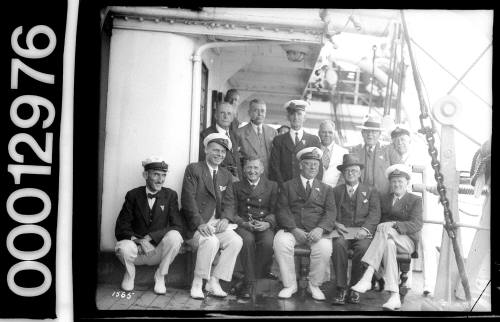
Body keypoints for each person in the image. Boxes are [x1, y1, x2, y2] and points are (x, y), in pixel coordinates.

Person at [351, 164, 423, 311]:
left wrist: (394, 224)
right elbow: (377, 219)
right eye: (394, 182)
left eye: (400, 181)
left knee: (386, 230)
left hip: (407, 240)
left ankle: (368, 274)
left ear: (407, 183)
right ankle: (394, 296)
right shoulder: (384, 198)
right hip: (387, 240)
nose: (397, 184)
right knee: (389, 243)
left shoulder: (415, 200)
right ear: (390, 183)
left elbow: (416, 224)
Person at [181, 133, 243, 299]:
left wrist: (225, 218)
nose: (219, 155)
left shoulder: (225, 175)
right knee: (211, 241)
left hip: (216, 223)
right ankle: (197, 281)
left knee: (236, 240)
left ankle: (214, 280)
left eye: (223, 152)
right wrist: (200, 223)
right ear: (206, 149)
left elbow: (230, 202)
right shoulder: (194, 169)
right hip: (196, 224)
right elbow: (188, 201)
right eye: (216, 150)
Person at [114, 156, 184, 295]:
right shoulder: (133, 195)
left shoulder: (170, 195)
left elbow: (177, 226)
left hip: (158, 251)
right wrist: (138, 241)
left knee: (175, 237)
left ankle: (160, 276)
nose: (161, 180)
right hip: (137, 251)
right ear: (145, 175)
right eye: (156, 174)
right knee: (122, 247)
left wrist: (150, 238)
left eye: (164, 175)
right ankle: (130, 274)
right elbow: (121, 228)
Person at [273, 147, 336, 301]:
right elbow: (282, 210)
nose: (313, 167)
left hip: (316, 230)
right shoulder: (288, 186)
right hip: (293, 228)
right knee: (280, 242)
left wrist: (321, 229)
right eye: (308, 163)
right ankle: (290, 284)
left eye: (315, 164)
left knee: (325, 247)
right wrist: (294, 229)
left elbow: (331, 212)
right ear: (301, 165)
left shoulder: (326, 188)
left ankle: (314, 285)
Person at [331, 154, 381, 305]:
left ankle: (355, 288)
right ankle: (341, 288)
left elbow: (375, 214)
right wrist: (335, 223)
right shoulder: (336, 191)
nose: (350, 173)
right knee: (338, 245)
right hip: (343, 231)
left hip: (362, 232)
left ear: (359, 173)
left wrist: (365, 230)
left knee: (363, 249)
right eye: (347, 171)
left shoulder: (370, 191)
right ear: (343, 173)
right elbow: (330, 211)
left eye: (354, 170)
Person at [232, 156, 278, 299]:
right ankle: (250, 283)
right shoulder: (236, 186)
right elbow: (231, 210)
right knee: (247, 241)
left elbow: (277, 210)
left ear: (262, 169)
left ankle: (246, 279)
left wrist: (268, 223)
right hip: (244, 224)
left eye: (256, 167)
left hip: (263, 224)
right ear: (244, 170)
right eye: (249, 168)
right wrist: (243, 223)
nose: (252, 171)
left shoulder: (272, 186)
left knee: (268, 243)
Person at [269, 100, 322, 189]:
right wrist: (283, 187)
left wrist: (313, 189)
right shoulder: (279, 140)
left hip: (307, 189)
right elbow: (274, 167)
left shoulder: (313, 140)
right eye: (292, 114)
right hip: (285, 189)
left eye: (299, 114)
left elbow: (318, 168)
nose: (296, 117)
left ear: (305, 117)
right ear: (288, 117)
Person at [350, 115, 393, 194]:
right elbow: (347, 173)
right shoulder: (355, 151)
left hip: (383, 196)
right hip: (360, 196)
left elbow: (399, 172)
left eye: (374, 131)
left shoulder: (388, 150)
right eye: (367, 131)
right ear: (362, 133)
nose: (370, 134)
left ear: (379, 134)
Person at [200, 102, 242, 181]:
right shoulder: (206, 135)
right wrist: (228, 177)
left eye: (229, 114)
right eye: (222, 113)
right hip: (216, 182)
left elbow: (237, 162)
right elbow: (205, 162)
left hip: (236, 185)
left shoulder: (235, 136)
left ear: (233, 118)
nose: (226, 117)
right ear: (216, 116)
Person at [235, 99, 277, 178]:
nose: (260, 114)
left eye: (262, 111)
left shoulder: (273, 132)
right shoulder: (239, 133)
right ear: (249, 113)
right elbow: (236, 159)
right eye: (255, 110)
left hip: (269, 178)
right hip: (248, 177)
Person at [318, 119, 348, 187]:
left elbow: (344, 175)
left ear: (334, 134)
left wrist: (337, 190)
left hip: (335, 192)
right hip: (315, 191)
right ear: (319, 133)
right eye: (324, 132)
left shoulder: (343, 152)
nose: (327, 135)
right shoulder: (313, 150)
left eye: (330, 132)